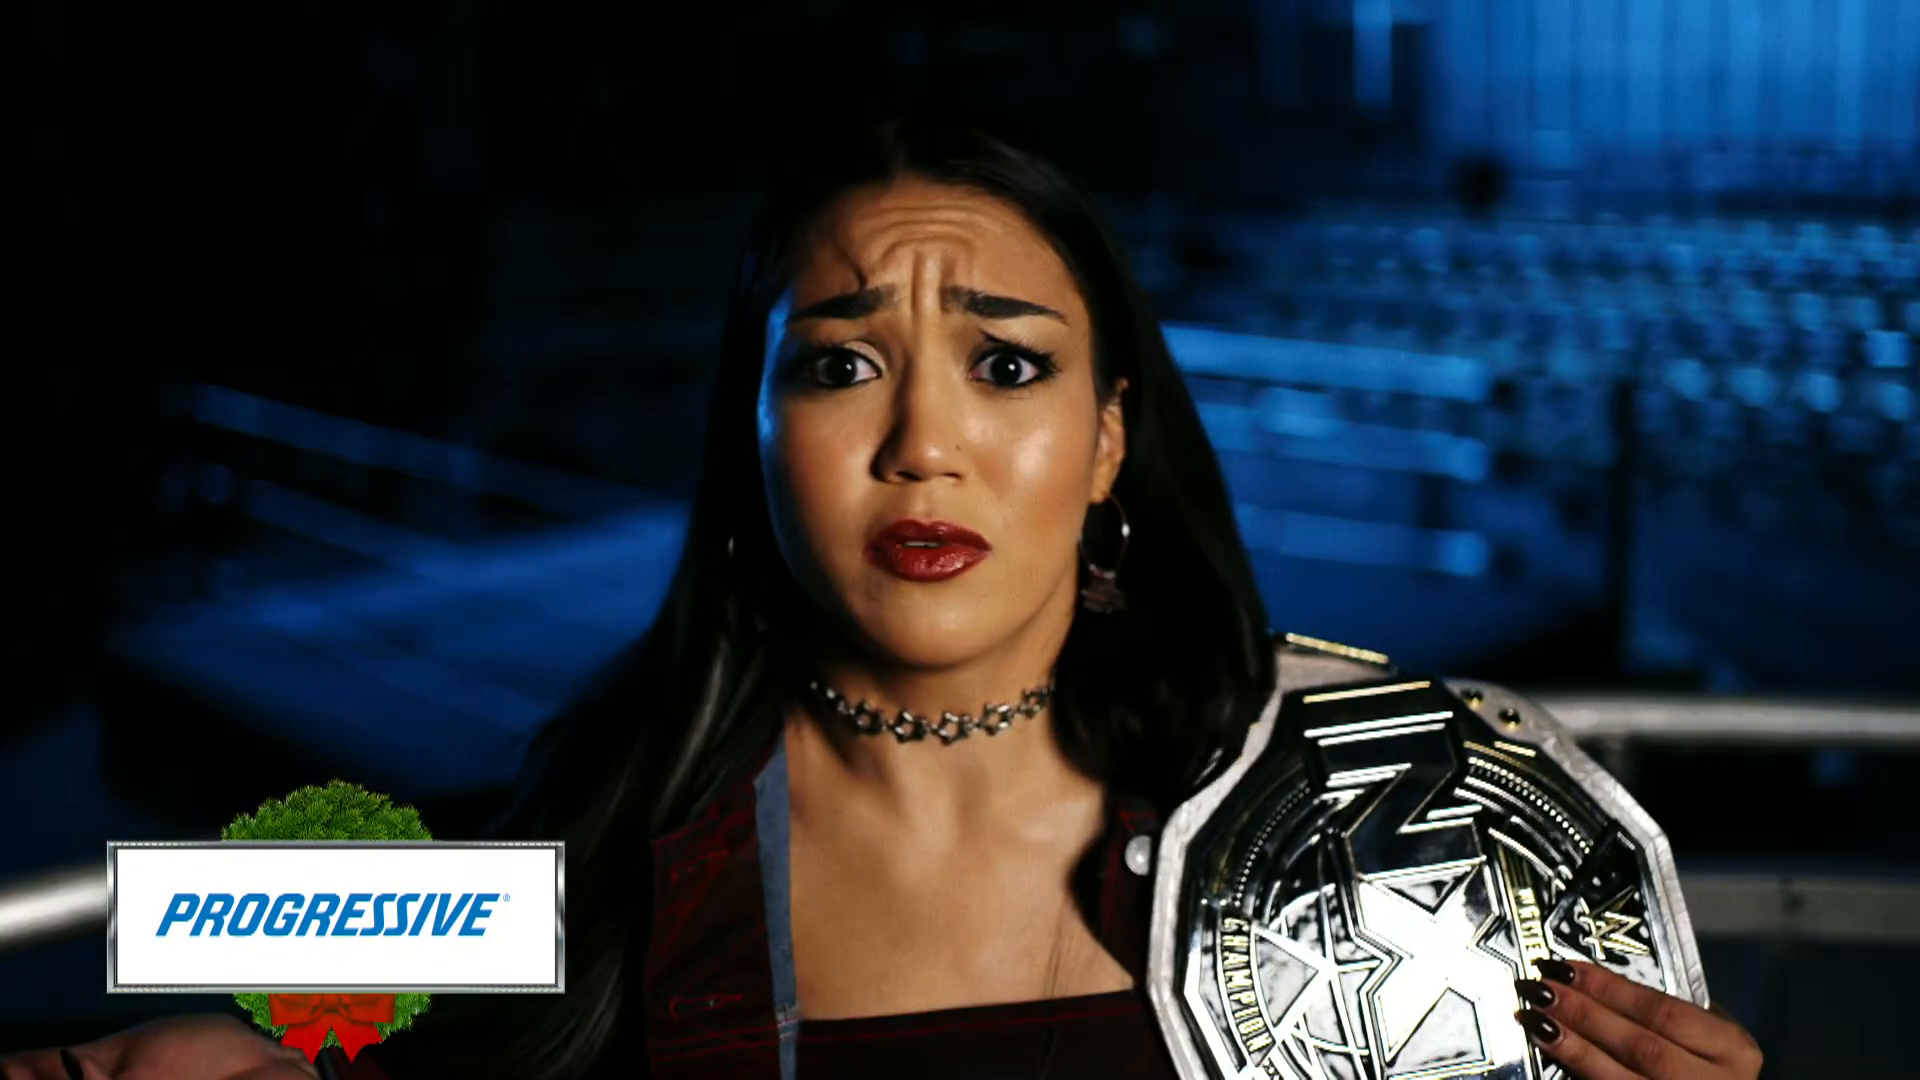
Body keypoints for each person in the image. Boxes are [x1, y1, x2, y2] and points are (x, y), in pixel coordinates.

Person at [0, 123, 1763, 1080]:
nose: (923, 443)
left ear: (1109, 439)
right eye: (842, 365)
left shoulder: (1388, 812)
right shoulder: (605, 814)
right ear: (752, 439)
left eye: (1007, 364)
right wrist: (212, 1058)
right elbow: (268, 937)